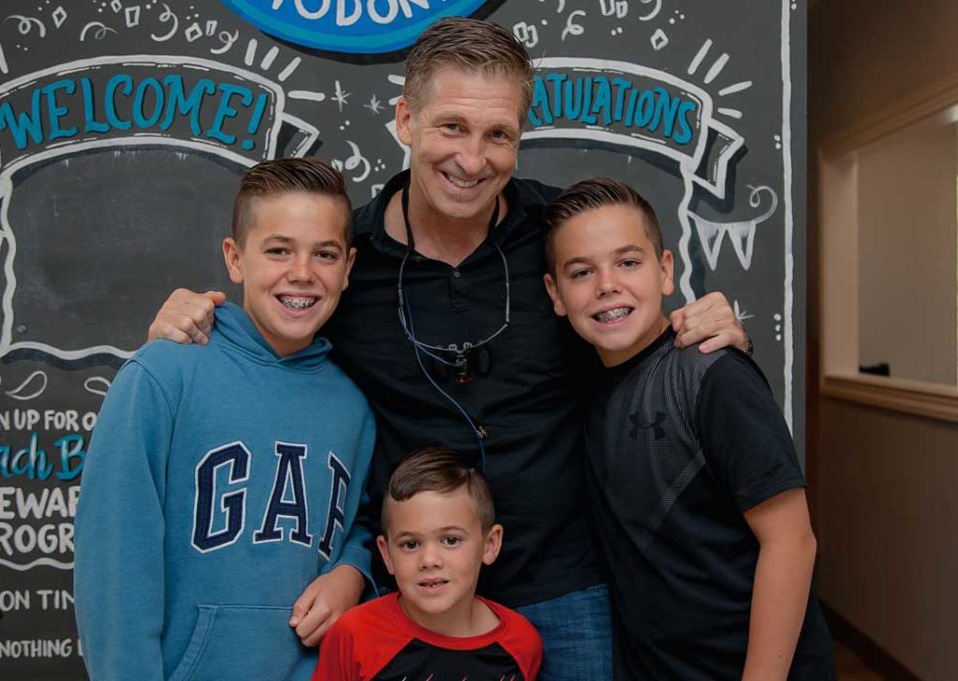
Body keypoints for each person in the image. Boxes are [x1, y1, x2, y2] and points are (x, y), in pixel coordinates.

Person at [146, 18, 748, 679]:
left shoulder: (561, 236)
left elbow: (632, 318)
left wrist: (700, 325)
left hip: (568, 585)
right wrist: (201, 320)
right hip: (411, 598)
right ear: (406, 119)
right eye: (452, 127)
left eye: (498, 135)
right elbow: (277, 339)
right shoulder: (351, 260)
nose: (472, 158)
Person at [74, 158, 377, 681]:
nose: (301, 273)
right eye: (278, 250)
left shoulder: (351, 407)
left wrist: (353, 569)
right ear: (235, 259)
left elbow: (359, 525)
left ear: (347, 267)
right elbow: (114, 572)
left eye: (323, 254)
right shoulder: (164, 375)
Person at [542, 177, 835, 680]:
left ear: (666, 271)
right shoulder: (583, 377)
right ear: (555, 294)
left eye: (628, 262)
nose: (607, 283)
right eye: (582, 271)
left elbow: (791, 541)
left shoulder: (714, 374)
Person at [313, 447, 542, 680]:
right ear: (387, 554)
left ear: (490, 544)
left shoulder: (521, 643)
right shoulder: (354, 634)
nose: (429, 560)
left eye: (450, 540)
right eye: (411, 544)